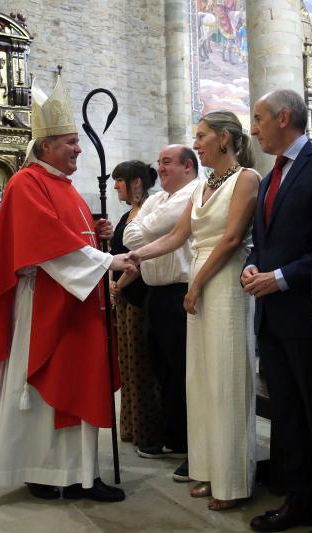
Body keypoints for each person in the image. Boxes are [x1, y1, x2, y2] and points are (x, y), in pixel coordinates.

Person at [0, 79, 137, 502]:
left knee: (81, 381)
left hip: (76, 304)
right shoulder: (26, 183)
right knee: (45, 388)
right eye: (70, 142)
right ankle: (41, 471)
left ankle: (82, 473)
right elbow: (44, 242)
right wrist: (106, 260)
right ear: (45, 147)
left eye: (78, 142)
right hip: (45, 303)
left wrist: (98, 237)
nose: (78, 149)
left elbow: (69, 238)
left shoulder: (65, 187)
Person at [129, 111, 260, 511]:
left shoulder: (247, 179)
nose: (197, 143)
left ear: (224, 139)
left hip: (224, 283)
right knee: (200, 381)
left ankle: (234, 480)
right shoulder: (203, 184)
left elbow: (233, 238)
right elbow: (175, 236)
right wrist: (129, 257)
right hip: (199, 284)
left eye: (201, 137)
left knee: (226, 380)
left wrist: (198, 283)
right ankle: (208, 468)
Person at [243, 90, 312, 533]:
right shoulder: (270, 177)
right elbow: (263, 241)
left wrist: (282, 277)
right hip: (272, 318)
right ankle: (298, 501)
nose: (254, 128)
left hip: (307, 315)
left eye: (259, 118)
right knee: (288, 416)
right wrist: (253, 266)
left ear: (284, 117)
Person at [122, 145, 199, 481]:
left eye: (167, 162)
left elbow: (138, 232)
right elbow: (130, 236)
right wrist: (149, 223)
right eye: (159, 163)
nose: (161, 168)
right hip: (155, 294)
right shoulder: (158, 200)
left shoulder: (192, 193)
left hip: (180, 293)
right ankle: (173, 437)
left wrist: (148, 225)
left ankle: (192, 444)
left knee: (184, 372)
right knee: (162, 371)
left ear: (188, 166)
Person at [108, 161, 164, 448]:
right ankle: (131, 427)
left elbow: (141, 258)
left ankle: (149, 432)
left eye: (119, 180)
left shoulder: (149, 210)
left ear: (136, 183)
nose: (115, 185)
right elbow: (118, 252)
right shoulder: (127, 214)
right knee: (127, 365)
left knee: (142, 367)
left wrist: (119, 284)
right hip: (124, 296)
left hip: (139, 294)